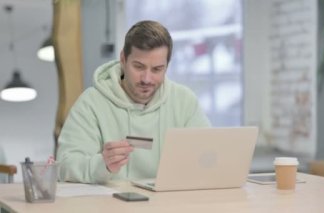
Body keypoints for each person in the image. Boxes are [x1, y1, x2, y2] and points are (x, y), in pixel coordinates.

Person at [57, 20, 211, 184]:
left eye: (157, 69)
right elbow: (64, 166)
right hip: (111, 206)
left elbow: (210, 156)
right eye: (138, 67)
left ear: (166, 66)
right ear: (123, 59)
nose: (146, 79)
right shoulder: (91, 103)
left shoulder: (184, 101)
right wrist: (102, 164)